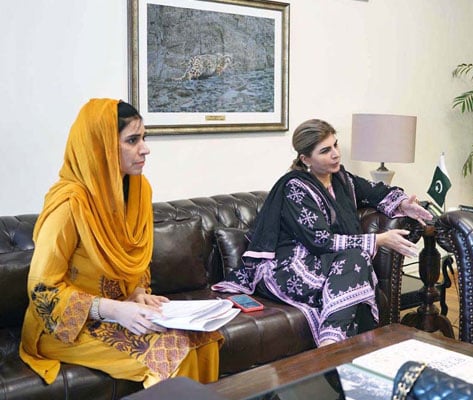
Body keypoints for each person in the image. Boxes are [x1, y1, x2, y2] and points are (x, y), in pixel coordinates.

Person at [20, 99, 222, 387]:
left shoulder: (139, 189)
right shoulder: (69, 204)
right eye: (132, 140)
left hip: (123, 310)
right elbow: (42, 291)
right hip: (66, 326)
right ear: (100, 147)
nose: (145, 148)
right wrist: (114, 310)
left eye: (144, 138)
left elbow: (134, 254)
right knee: (173, 354)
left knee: (205, 339)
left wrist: (138, 291)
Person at [212, 119, 432, 346]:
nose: (336, 154)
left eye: (336, 145)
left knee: (357, 261)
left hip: (325, 262)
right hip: (289, 266)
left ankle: (336, 344)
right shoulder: (295, 188)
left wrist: (405, 204)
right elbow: (321, 241)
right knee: (358, 265)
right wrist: (379, 239)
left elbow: (375, 192)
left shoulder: (342, 179)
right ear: (305, 159)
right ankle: (335, 345)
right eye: (326, 151)